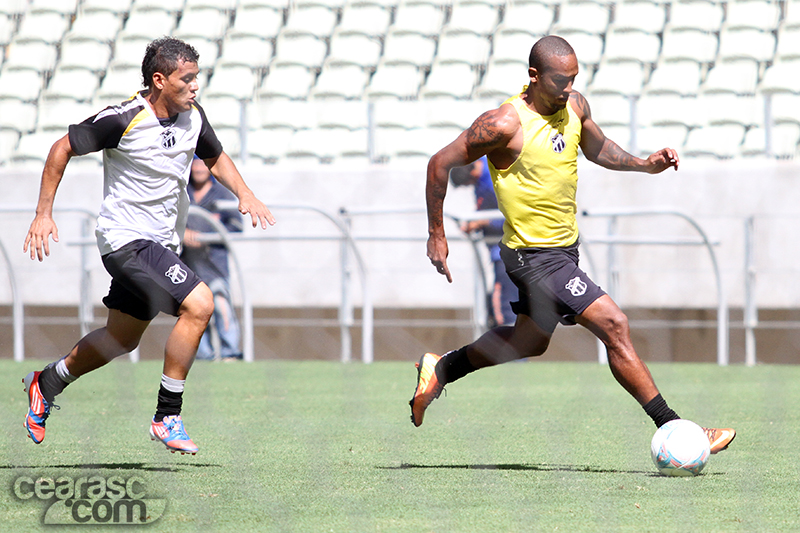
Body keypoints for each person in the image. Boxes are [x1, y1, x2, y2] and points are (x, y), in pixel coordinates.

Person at [409, 35, 736, 454]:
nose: (568, 88)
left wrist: (644, 164)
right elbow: (440, 163)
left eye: (573, 79)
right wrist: (437, 234)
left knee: (529, 343)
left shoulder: (575, 106)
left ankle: (442, 368)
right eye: (560, 81)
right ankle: (677, 430)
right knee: (614, 324)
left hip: (562, 251)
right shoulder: (504, 124)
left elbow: (597, 147)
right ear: (533, 77)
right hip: (534, 257)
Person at [22, 37, 275, 455]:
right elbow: (62, 148)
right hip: (126, 241)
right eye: (186, 79)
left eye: (197, 78)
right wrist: (43, 213)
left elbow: (215, 157)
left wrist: (244, 193)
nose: (195, 86)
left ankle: (47, 381)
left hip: (161, 244)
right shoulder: (123, 119)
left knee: (121, 339)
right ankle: (167, 416)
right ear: (159, 80)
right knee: (201, 304)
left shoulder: (193, 117)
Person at [181, 157, 243, 361]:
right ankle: (202, 355)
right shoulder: (182, 192)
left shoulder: (222, 195)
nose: (199, 168)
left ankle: (230, 353)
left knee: (221, 303)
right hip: (188, 264)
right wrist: (184, 234)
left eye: (202, 164)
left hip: (215, 264)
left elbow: (236, 227)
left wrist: (207, 236)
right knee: (195, 309)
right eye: (195, 164)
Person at [450, 156, 516, 327]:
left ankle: (514, 351)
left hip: (510, 252)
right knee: (502, 311)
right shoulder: (483, 178)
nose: (470, 187)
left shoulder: (496, 176)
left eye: (468, 183)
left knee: (505, 313)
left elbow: (515, 216)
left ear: (473, 172)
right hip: (501, 252)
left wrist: (481, 221)